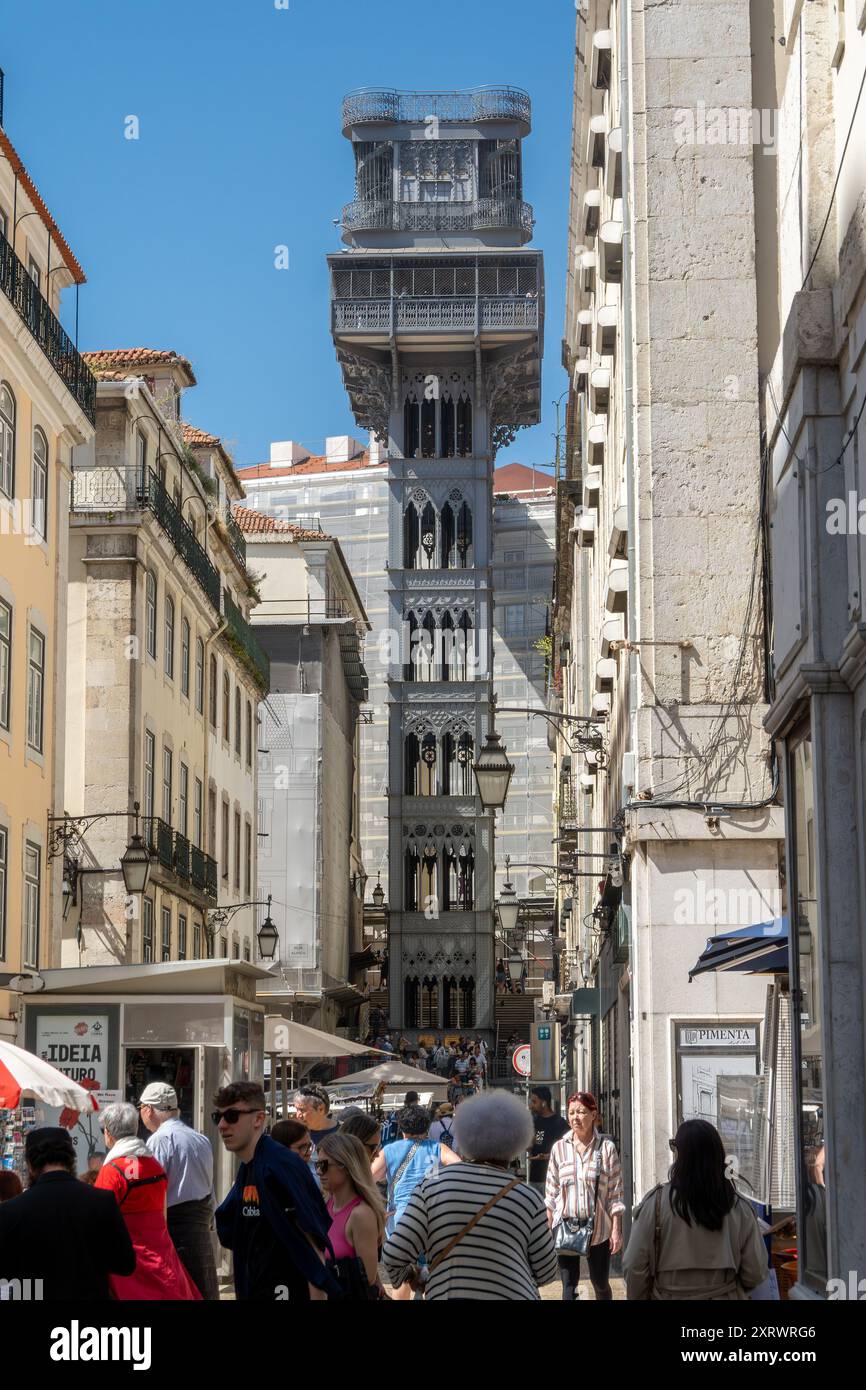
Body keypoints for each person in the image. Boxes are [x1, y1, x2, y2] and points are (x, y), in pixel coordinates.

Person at [382, 1091, 557, 1301]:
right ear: (517, 1141)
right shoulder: (528, 1198)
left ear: (464, 1135)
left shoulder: (430, 1190)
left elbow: (393, 1255)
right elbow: (546, 1272)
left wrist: (412, 1276)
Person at [214, 1081, 341, 1301]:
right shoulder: (249, 1166)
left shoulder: (280, 1165)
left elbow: (312, 1237)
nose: (222, 1125)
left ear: (258, 1119)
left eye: (232, 1116)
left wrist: (318, 1289)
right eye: (219, 1117)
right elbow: (229, 1230)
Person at [623, 1119, 769, 1300]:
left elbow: (633, 1266)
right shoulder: (739, 1207)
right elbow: (755, 1273)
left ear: (681, 1154)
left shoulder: (655, 1205)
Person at [0, 1127, 135, 1300]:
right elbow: (125, 1264)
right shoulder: (102, 1201)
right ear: (71, 1160)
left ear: (30, 1164)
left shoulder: (10, 1212)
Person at [95, 1102, 201, 1301]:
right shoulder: (154, 1165)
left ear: (108, 1133)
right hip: (161, 1247)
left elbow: (99, 1219)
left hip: (128, 1253)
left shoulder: (111, 1170)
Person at [371, 1101, 462, 1301]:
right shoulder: (438, 1148)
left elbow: (367, 1179)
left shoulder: (389, 1150)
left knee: (403, 1277)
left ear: (401, 1127)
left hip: (400, 1220)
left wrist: (377, 1209)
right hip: (433, 1219)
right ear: (427, 1126)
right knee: (433, 1275)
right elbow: (461, 1169)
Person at [139, 1080, 219, 1301]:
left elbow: (154, 1192)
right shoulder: (201, 1139)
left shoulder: (159, 1141)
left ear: (148, 1110)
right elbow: (210, 1189)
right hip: (202, 1226)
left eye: (141, 1109)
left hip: (174, 1230)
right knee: (204, 1290)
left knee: (179, 1292)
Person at [545, 1091, 624, 1302]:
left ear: (593, 1114)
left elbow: (615, 1194)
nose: (575, 1118)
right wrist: (548, 1225)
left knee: (600, 1284)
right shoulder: (559, 1149)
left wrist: (616, 1229)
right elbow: (551, 1192)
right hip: (566, 1227)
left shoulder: (606, 1149)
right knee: (568, 1287)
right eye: (571, 1113)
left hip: (598, 1229)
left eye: (581, 1112)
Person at [317, 1131, 386, 1298]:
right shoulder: (326, 1204)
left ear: (346, 1166)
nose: (319, 1172)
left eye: (324, 1165)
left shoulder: (360, 1215)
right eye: (317, 1165)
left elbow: (367, 1279)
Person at [528, 1087, 569, 1192]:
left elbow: (568, 1150)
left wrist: (546, 1156)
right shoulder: (536, 1121)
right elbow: (538, 1143)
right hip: (535, 1179)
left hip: (553, 1179)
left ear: (544, 1103)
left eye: (534, 1102)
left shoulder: (560, 1124)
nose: (531, 1105)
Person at [294, 1083, 340, 1166]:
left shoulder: (343, 1133)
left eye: (302, 1110)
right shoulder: (296, 1135)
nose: (298, 1115)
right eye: (296, 1109)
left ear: (321, 1109)